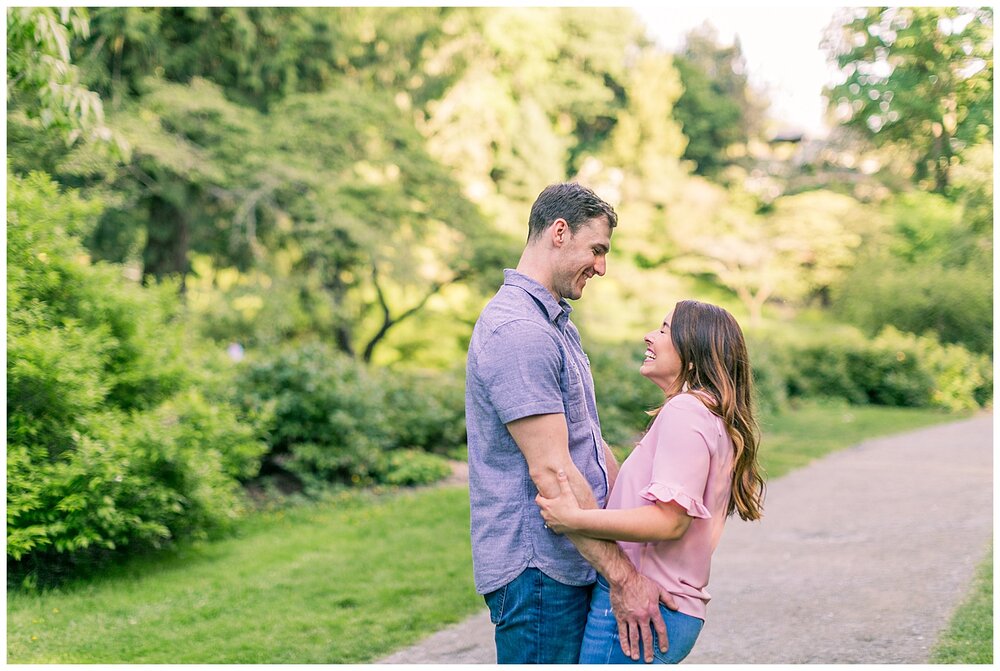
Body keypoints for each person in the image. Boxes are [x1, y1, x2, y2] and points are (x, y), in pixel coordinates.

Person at [466, 182, 676, 664]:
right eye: (597, 249)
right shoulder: (519, 332)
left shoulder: (557, 323)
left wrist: (634, 533)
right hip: (541, 571)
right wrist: (624, 577)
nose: (601, 267)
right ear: (559, 232)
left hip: (577, 559)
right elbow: (554, 474)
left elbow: (589, 442)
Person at [536, 299, 766, 664]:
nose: (649, 337)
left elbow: (669, 521)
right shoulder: (706, 414)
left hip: (650, 605)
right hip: (669, 607)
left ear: (693, 351)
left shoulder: (686, 412)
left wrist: (574, 520)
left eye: (663, 330)